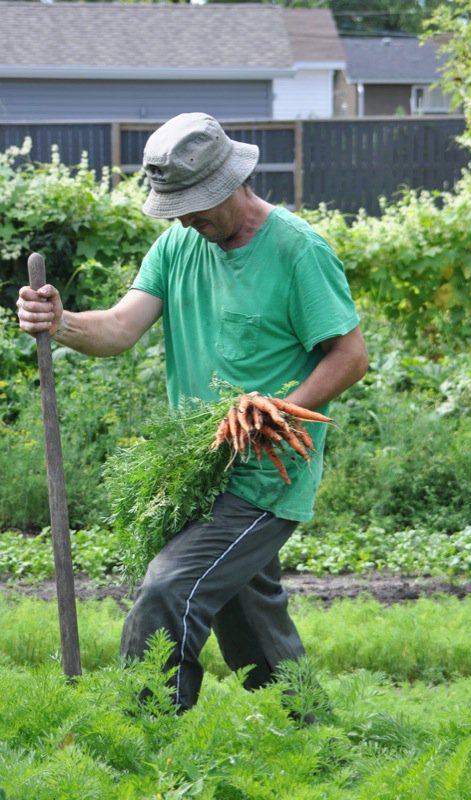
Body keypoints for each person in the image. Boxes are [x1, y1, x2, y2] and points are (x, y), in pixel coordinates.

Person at [17, 112, 369, 714]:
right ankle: (321, 741)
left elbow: (350, 355)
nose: (185, 218)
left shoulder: (297, 250)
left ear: (233, 183)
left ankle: (141, 736)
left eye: (196, 204)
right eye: (176, 206)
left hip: (265, 474)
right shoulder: (179, 243)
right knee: (252, 624)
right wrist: (63, 322)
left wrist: (277, 410)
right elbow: (122, 327)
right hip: (196, 472)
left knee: (168, 588)